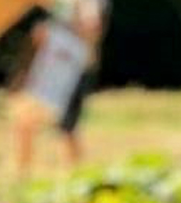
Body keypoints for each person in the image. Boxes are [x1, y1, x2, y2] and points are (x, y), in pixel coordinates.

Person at [12, 0, 109, 173]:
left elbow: (91, 25)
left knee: (57, 124)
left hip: (65, 63)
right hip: (62, 60)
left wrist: (57, 31)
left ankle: (73, 176)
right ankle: (72, 176)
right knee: (51, 124)